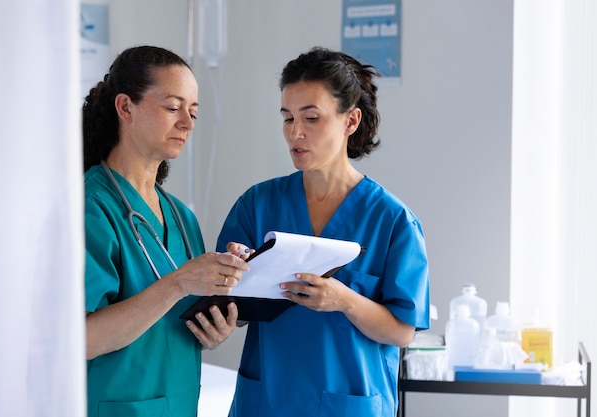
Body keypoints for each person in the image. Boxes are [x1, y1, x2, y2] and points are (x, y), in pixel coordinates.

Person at [216, 47, 430, 416]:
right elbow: (230, 309)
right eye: (287, 118)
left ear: (350, 121)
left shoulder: (392, 220)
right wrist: (237, 274)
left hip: (348, 403)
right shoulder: (257, 204)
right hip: (268, 401)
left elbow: (401, 331)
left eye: (311, 118)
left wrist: (344, 299)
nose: (295, 133)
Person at [83, 45, 250, 417]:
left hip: (179, 404)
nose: (188, 123)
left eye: (193, 112)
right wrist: (179, 283)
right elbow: (82, 339)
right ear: (125, 108)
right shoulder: (89, 207)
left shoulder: (181, 218)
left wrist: (215, 326)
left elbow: (173, 324)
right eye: (173, 108)